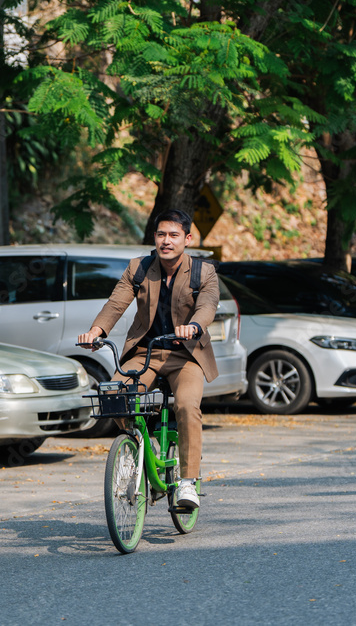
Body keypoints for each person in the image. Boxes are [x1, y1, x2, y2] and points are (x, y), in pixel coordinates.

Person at [78, 209, 219, 509]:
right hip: (147, 351)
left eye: (174, 235)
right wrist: (96, 330)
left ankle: (188, 482)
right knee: (115, 395)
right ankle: (143, 447)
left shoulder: (203, 272)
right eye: (161, 235)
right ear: (154, 237)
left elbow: (207, 306)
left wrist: (194, 326)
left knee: (185, 405)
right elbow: (116, 303)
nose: (166, 241)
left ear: (187, 238)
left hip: (186, 355)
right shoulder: (139, 268)